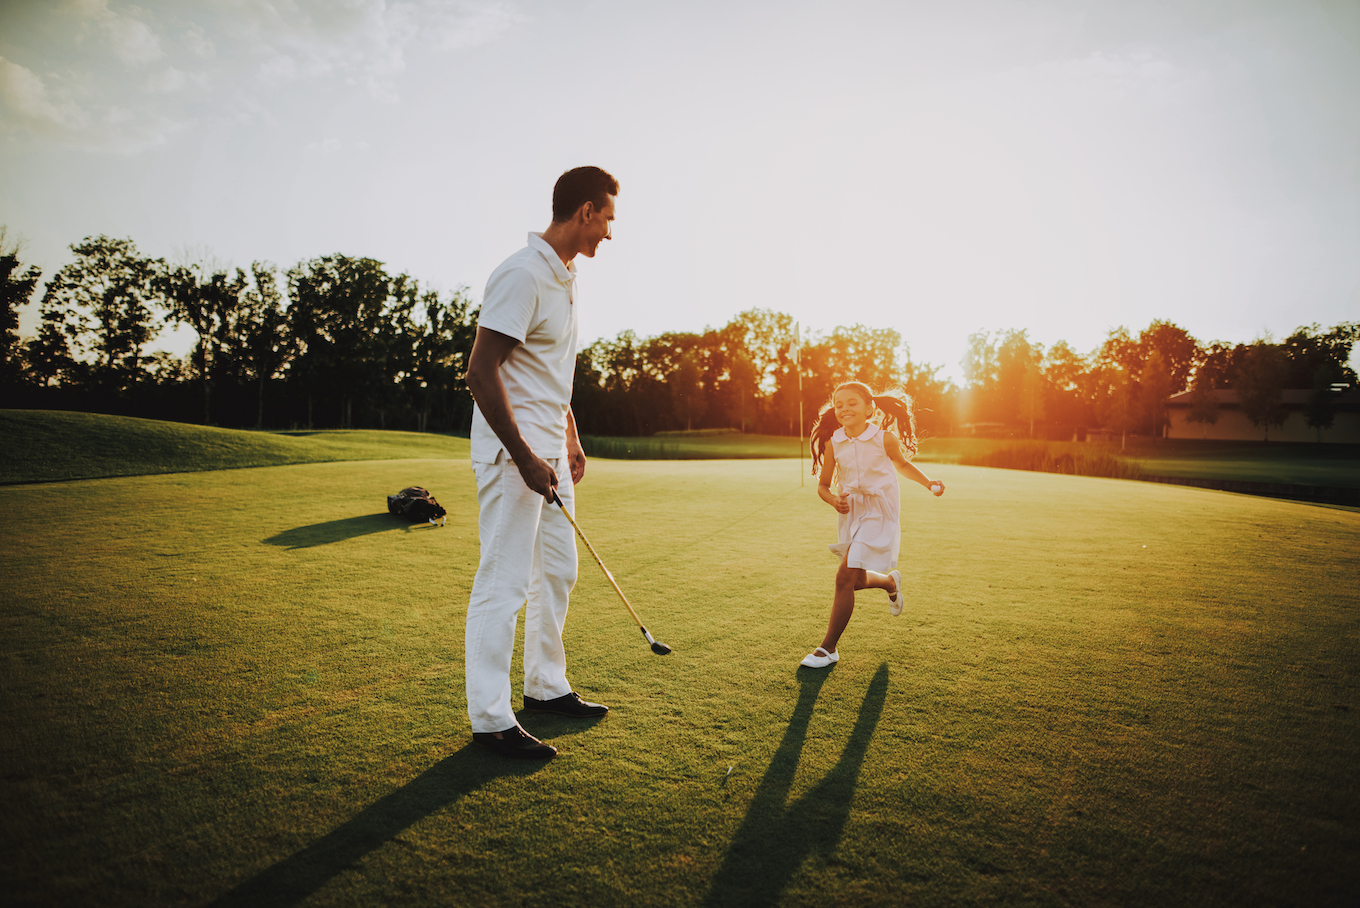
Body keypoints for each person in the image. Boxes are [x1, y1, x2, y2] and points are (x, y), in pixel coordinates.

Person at [462, 166, 619, 759]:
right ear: (584, 211)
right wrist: (526, 455)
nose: (609, 231)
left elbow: (548, 372)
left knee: (557, 570)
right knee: (503, 583)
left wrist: (570, 435)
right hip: (514, 456)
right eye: (606, 218)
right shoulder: (523, 274)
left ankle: (545, 688)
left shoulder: (566, 276)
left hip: (549, 450)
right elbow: (481, 372)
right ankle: (490, 719)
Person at [801, 380, 945, 669]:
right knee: (853, 580)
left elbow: (902, 465)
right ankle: (890, 581)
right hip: (852, 511)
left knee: (844, 577)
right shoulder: (834, 442)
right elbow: (824, 486)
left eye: (852, 403)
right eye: (838, 404)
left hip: (880, 510)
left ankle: (827, 649)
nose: (844, 409)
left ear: (869, 408)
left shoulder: (884, 438)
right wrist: (833, 501)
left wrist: (928, 482)